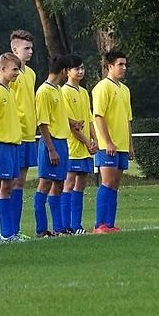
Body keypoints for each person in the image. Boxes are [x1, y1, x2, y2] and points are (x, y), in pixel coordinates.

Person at [0, 53, 24, 242]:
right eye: (15, 69)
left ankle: (7, 233)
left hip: (13, 145)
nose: (17, 73)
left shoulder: (10, 90)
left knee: (8, 186)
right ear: (3, 69)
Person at [92, 51, 133, 233]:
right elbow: (98, 116)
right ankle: (99, 225)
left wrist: (130, 145)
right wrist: (107, 142)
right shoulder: (102, 87)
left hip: (121, 145)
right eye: (120, 64)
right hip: (107, 146)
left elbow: (128, 119)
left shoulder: (125, 90)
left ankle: (109, 224)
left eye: (125, 64)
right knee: (107, 182)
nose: (124, 68)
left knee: (115, 184)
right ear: (109, 66)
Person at [33, 56, 71, 237]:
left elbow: (57, 116)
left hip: (62, 141)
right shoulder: (43, 91)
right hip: (51, 143)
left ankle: (59, 227)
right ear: (64, 71)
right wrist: (51, 149)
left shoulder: (58, 90)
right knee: (45, 184)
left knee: (59, 184)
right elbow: (43, 123)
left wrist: (72, 123)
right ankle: (41, 229)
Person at [60, 54, 97, 234]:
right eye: (77, 69)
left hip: (85, 147)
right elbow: (72, 125)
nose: (81, 71)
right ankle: (65, 225)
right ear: (67, 71)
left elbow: (89, 119)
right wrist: (88, 142)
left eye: (82, 68)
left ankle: (77, 225)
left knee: (81, 185)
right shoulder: (64, 92)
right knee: (69, 183)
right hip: (72, 147)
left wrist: (95, 140)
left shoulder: (83, 92)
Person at [8, 30, 37, 240]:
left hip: (28, 134)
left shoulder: (31, 73)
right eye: (26, 48)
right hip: (14, 135)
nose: (30, 51)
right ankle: (7, 230)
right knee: (10, 182)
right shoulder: (11, 75)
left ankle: (16, 229)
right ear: (14, 49)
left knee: (21, 182)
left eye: (31, 48)